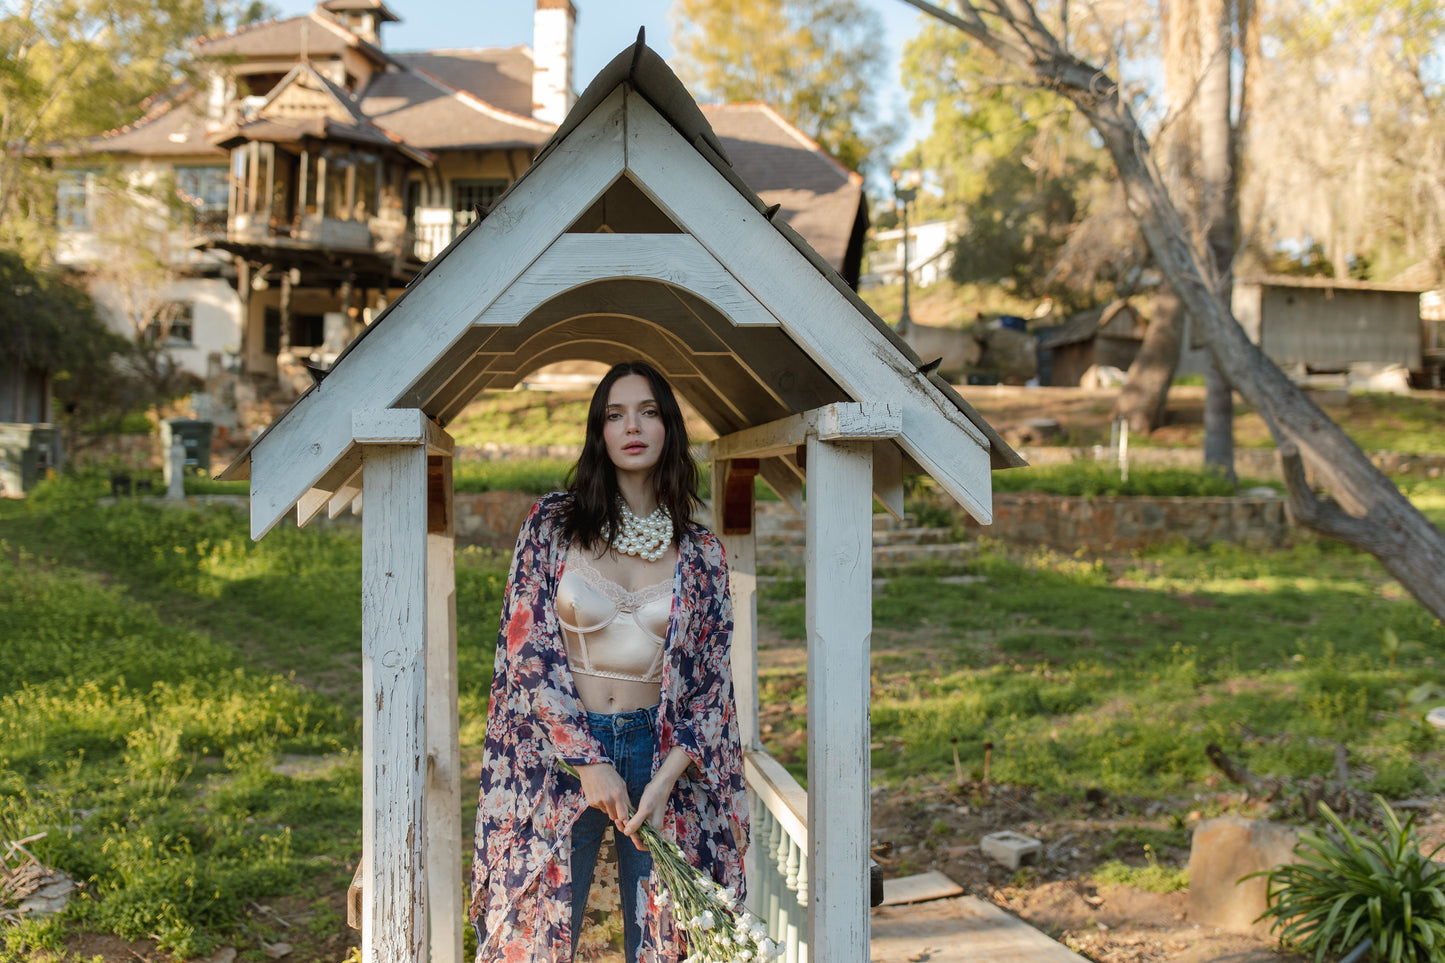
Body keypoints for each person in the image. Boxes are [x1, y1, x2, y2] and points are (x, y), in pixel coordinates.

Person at [468, 361, 749, 963]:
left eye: (648, 412)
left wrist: (667, 777)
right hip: (560, 754)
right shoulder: (552, 526)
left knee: (671, 936)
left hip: (659, 752)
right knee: (537, 929)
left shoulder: (701, 555)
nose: (633, 427)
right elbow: (529, 650)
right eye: (615, 415)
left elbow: (709, 687)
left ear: (669, 428)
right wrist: (587, 761)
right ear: (599, 433)